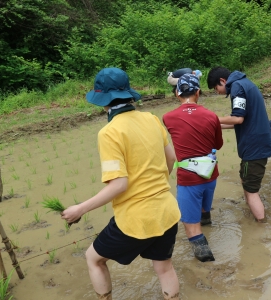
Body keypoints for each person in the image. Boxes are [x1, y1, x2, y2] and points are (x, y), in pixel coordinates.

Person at [61, 67, 181, 300]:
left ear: (102, 100)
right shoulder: (151, 119)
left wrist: (80, 209)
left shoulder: (109, 132)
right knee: (164, 268)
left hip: (136, 220)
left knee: (93, 259)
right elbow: (171, 158)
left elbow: (119, 185)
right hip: (167, 211)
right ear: (128, 94)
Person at [163, 74, 223, 262]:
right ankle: (207, 223)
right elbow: (218, 145)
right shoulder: (212, 116)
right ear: (198, 92)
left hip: (188, 179)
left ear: (177, 94)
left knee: (191, 226)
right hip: (210, 175)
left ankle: (207, 267)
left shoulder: (168, 117)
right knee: (205, 211)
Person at [207, 66, 271, 223]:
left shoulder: (237, 86)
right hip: (257, 144)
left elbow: (237, 118)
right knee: (246, 182)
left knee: (251, 192)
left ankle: (261, 227)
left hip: (254, 147)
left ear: (223, 81)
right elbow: (239, 122)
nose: (217, 92)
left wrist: (210, 118)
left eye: (216, 88)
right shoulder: (245, 83)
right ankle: (254, 216)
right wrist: (215, 125)